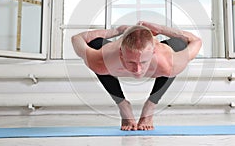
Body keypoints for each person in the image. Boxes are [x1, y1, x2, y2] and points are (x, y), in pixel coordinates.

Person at [71, 21, 202, 131]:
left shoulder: (170, 62)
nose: (138, 70)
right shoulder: (102, 60)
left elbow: (196, 40)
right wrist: (117, 31)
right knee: (95, 45)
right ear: (121, 53)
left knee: (179, 44)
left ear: (153, 52)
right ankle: (123, 106)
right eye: (132, 62)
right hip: (114, 54)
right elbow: (77, 38)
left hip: (160, 57)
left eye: (144, 62)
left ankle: (150, 106)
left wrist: (161, 29)